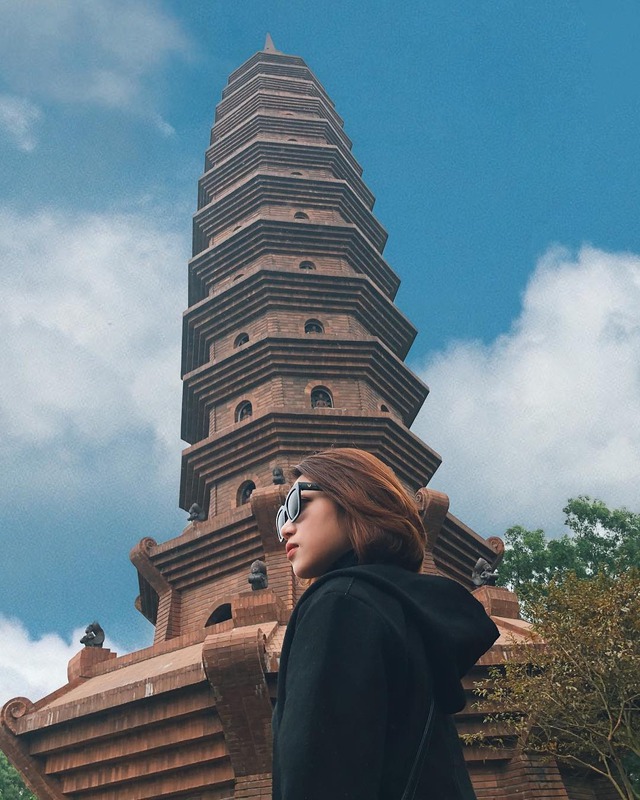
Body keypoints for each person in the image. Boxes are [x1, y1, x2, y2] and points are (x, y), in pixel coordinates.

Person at [272, 448, 499, 800]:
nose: (286, 528)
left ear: (350, 496)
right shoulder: (404, 615)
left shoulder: (339, 603)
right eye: (281, 516)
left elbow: (321, 776)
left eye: (297, 504)